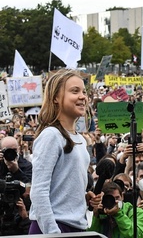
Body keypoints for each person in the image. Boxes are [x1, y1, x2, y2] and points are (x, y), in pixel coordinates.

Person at [29, 69, 93, 234]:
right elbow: (38, 192)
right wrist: (53, 233)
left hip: (76, 227)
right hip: (52, 227)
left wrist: (84, 197)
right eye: (75, 91)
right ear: (56, 98)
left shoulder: (80, 138)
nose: (82, 97)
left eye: (84, 92)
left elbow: (63, 187)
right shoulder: (51, 135)